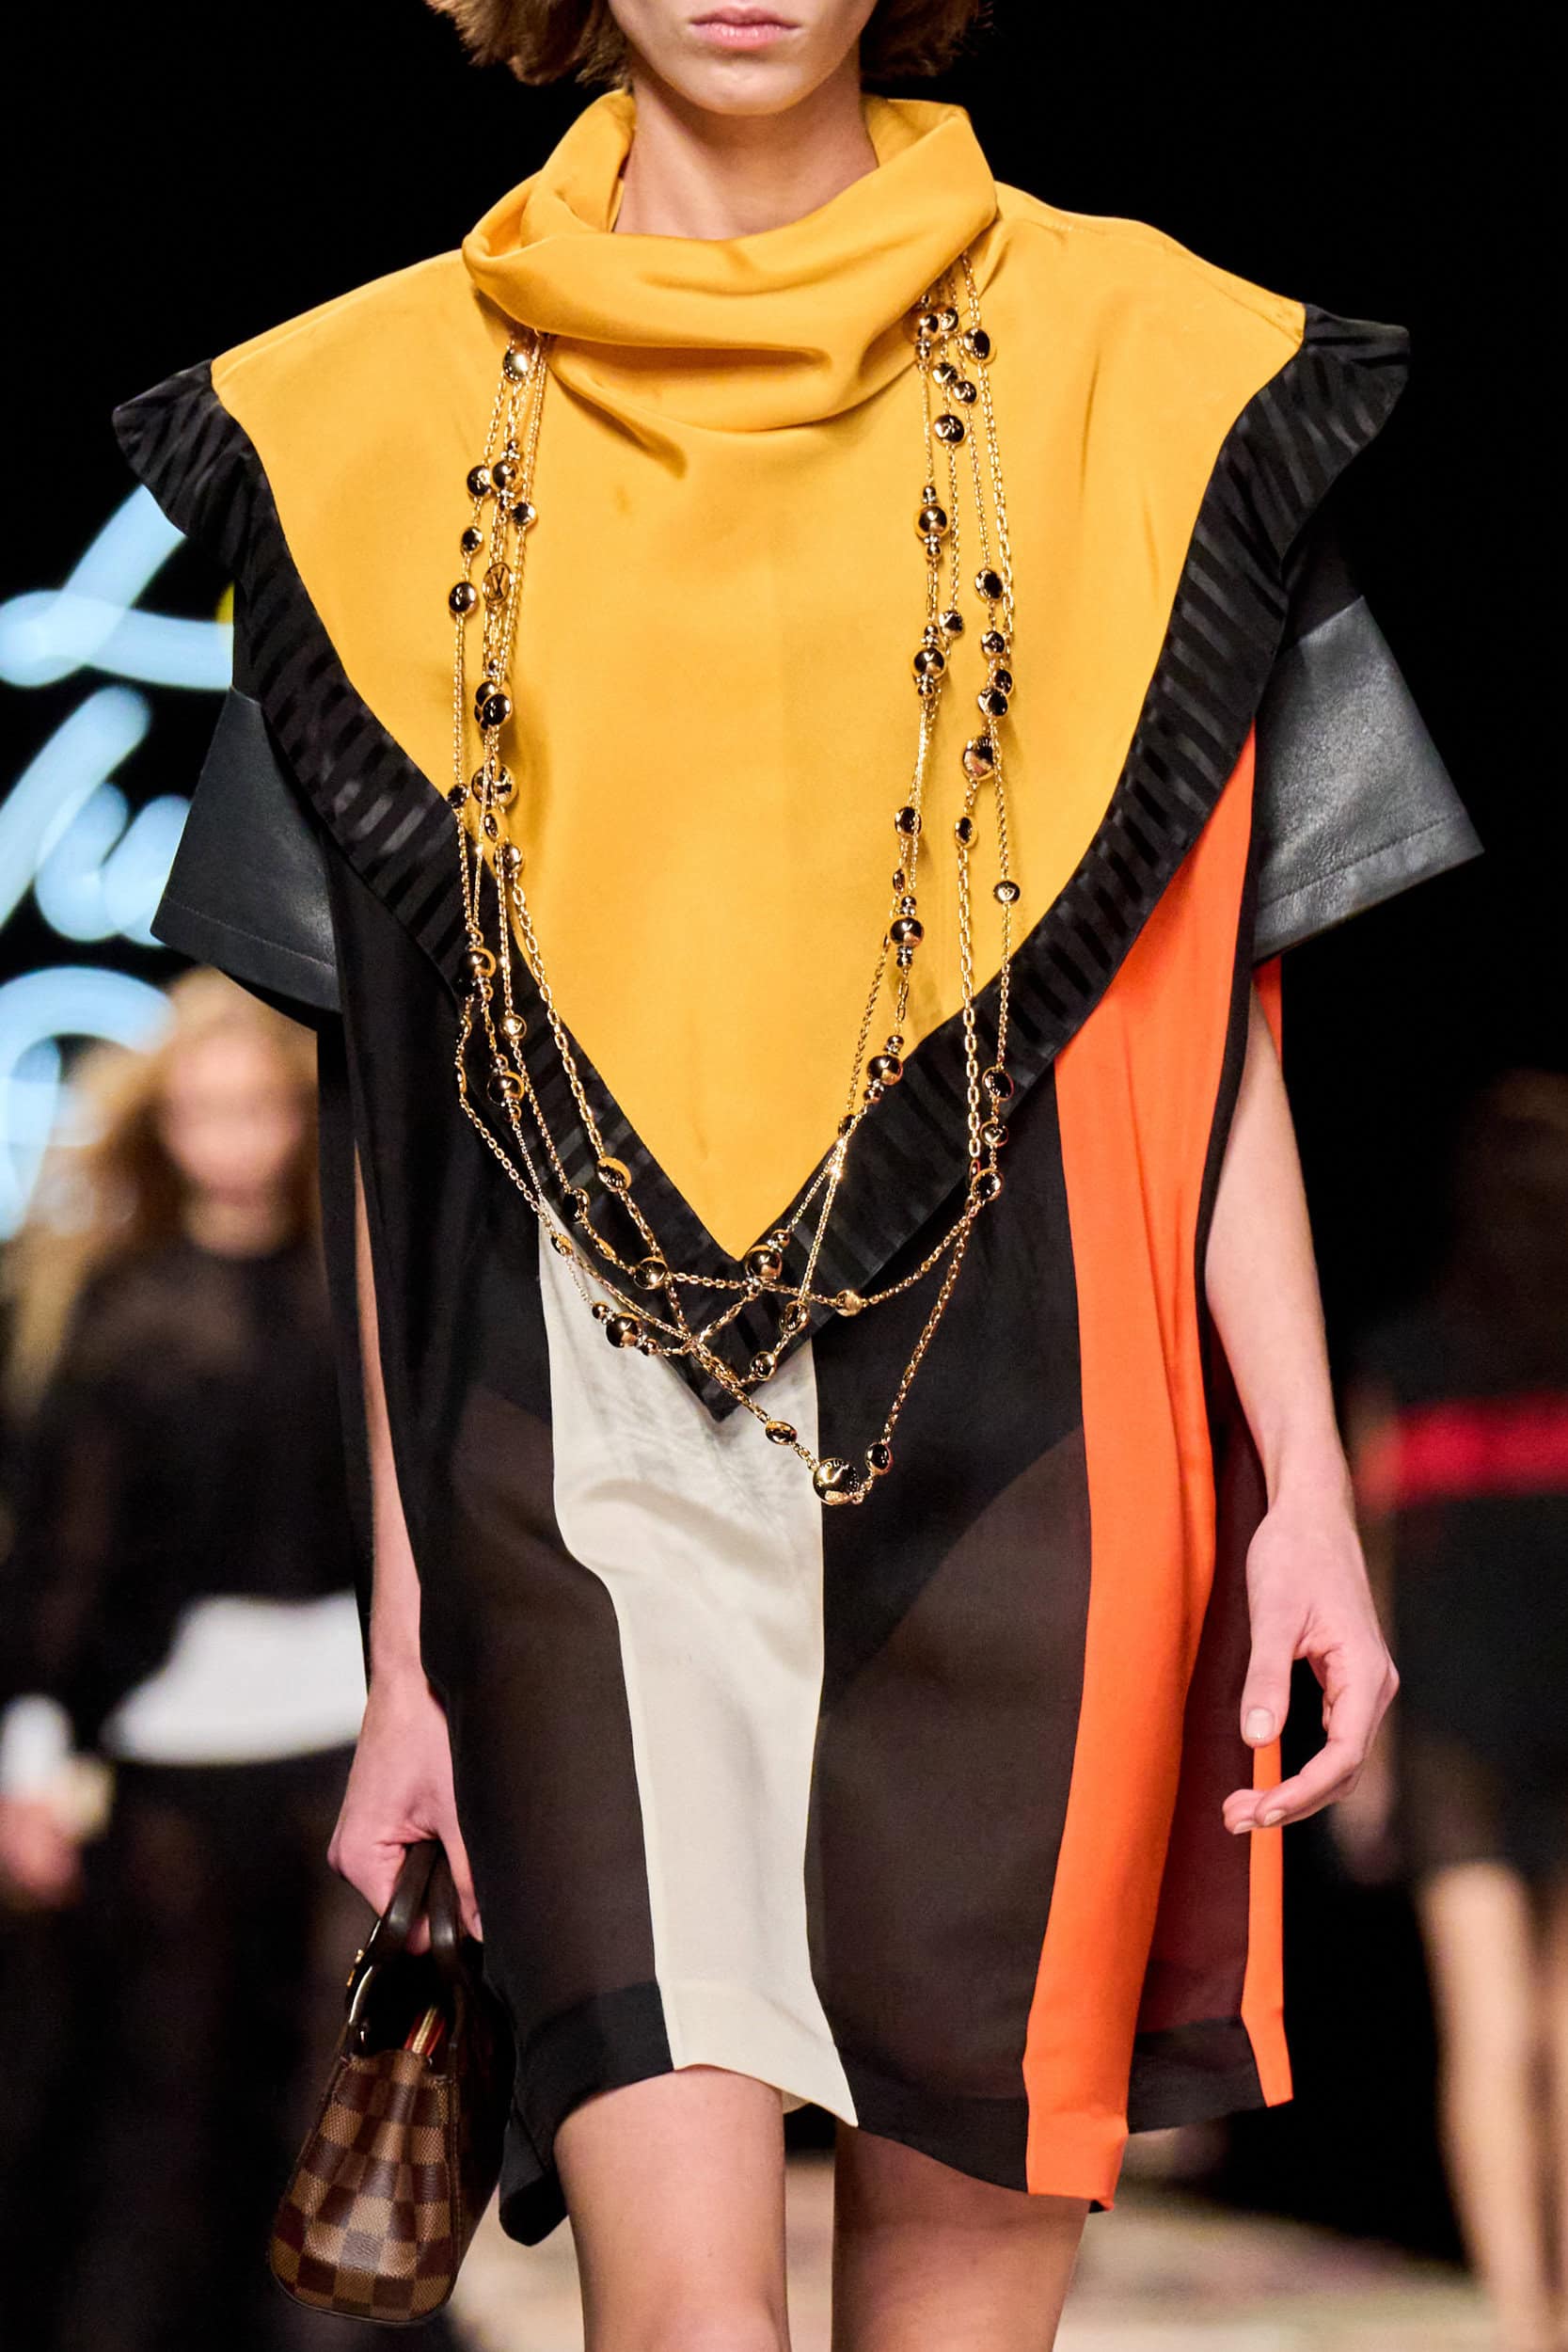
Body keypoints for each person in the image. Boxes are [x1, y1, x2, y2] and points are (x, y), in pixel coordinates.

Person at [111, 4, 1480, 2344]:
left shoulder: (1143, 364)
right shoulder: (368, 420)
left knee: (957, 2303)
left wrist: (1307, 1499)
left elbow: (1207, 1001)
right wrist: (408, 1638)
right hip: (573, 1449)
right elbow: (388, 1103)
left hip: (1035, 1428)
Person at [0, 972, 461, 2351]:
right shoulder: (121, 1314)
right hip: (172, 1753)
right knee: (165, 2099)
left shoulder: (363, 1299)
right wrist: (31, 1757)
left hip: (347, 1742)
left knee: (339, 2107)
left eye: (258, 1106)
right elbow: (62, 1565)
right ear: (164, 1126)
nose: (234, 1138)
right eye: (204, 1110)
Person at [1342, 1074, 1568, 2352]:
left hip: (1454, 1725)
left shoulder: (1406, 1358)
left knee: (1492, 2032)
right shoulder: (1406, 1357)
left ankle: (1523, 2319)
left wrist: (1365, 1753)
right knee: (1557, 2032)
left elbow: (1369, 1567)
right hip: (1501, 1711)